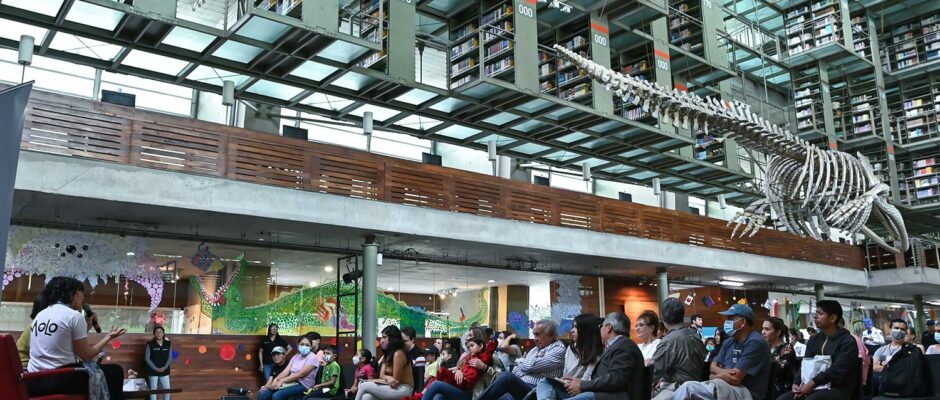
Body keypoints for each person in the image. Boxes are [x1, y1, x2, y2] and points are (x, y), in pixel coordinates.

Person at [26, 277, 127, 400]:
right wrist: (108, 337)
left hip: (34, 380)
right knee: (115, 371)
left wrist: (87, 327)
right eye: (81, 293)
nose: (83, 298)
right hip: (59, 379)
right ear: (72, 294)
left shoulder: (41, 314)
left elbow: (63, 341)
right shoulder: (74, 316)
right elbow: (86, 355)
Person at [673, 304, 771, 400]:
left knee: (689, 388)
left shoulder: (755, 342)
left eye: (730, 318)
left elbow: (735, 378)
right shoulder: (729, 341)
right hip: (724, 386)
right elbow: (712, 366)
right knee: (685, 388)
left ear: (742, 322)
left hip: (744, 392)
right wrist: (722, 374)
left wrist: (714, 376)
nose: (726, 322)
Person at [548, 311, 645, 400]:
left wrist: (582, 385)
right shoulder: (617, 345)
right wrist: (580, 382)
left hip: (613, 396)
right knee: (546, 381)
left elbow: (615, 379)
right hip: (599, 393)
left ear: (609, 327)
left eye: (601, 326)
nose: (599, 329)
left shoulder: (624, 346)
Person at [779, 300, 860, 400]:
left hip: (837, 388)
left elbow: (838, 369)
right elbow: (805, 364)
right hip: (813, 386)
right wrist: (797, 382)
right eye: (816, 313)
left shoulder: (847, 341)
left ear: (833, 318)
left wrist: (813, 382)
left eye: (820, 313)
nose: (815, 316)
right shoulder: (813, 340)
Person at [475, 319, 566, 400]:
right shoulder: (535, 349)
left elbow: (530, 366)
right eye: (534, 335)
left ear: (550, 335)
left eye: (537, 335)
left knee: (506, 377)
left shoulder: (559, 348)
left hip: (538, 391)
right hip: (522, 385)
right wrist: (525, 364)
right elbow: (516, 370)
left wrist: (519, 360)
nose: (535, 339)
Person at [536, 314, 604, 399]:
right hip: (566, 386)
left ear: (585, 331)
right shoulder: (571, 348)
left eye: (576, 327)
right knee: (544, 381)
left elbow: (587, 379)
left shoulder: (596, 351)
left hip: (581, 389)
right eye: (573, 327)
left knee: (588, 395)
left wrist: (576, 385)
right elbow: (565, 373)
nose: (572, 330)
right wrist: (563, 381)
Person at [651, 298, 707, 400]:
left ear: (663, 318)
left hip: (677, 391)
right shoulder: (695, 336)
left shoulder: (668, 341)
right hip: (698, 390)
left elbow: (653, 373)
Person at [412, 337, 496, 400]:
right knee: (438, 397)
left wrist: (484, 366)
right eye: (468, 347)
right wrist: (459, 371)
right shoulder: (468, 358)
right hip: (460, 388)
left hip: (472, 393)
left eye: (472, 345)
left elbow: (497, 378)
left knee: (436, 384)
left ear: (481, 346)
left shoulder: (489, 357)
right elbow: (458, 369)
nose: (469, 348)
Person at [354, 325, 415, 400]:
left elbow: (395, 381)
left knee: (364, 386)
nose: (381, 341)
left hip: (404, 389)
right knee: (366, 397)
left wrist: (370, 381)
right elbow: (381, 375)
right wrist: (388, 377)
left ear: (392, 339)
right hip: (392, 387)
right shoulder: (387, 355)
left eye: (384, 337)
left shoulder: (398, 354)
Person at [259, 334, 320, 400]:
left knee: (277, 396)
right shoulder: (295, 357)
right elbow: (286, 371)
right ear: (298, 345)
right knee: (264, 394)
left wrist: (282, 380)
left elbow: (300, 374)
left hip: (304, 386)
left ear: (311, 347)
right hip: (291, 382)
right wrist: (275, 380)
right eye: (302, 344)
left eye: (307, 345)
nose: (304, 346)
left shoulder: (313, 357)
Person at [872, 319, 909, 393]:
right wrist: (894, 367)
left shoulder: (909, 349)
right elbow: (873, 367)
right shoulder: (881, 350)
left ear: (906, 332)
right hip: (882, 383)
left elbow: (907, 368)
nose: (899, 331)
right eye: (896, 328)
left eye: (902, 329)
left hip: (901, 383)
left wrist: (884, 365)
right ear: (890, 330)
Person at [762, 317, 796, 398]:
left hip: (780, 393)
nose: (763, 332)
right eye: (762, 328)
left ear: (778, 332)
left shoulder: (787, 350)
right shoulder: (766, 348)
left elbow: (777, 371)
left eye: (767, 329)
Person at [144, 326, 172, 400]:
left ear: (163, 333)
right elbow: (147, 358)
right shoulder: (150, 344)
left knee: (167, 389)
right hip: (152, 370)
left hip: (164, 370)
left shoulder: (168, 343)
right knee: (153, 390)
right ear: (154, 334)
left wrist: (164, 368)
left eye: (160, 332)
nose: (158, 333)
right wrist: (156, 369)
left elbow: (170, 357)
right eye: (156, 332)